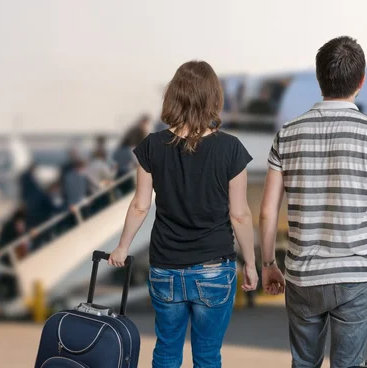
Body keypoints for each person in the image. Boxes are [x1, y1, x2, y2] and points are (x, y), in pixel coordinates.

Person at [258, 36, 367, 368]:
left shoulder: (287, 133)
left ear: (319, 78)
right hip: (355, 278)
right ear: (362, 80)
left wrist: (269, 264)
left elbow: (268, 211)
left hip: (302, 276)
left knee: (304, 363)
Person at [107, 60, 259, 368]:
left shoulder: (151, 146)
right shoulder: (231, 148)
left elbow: (140, 204)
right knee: (207, 356)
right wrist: (252, 263)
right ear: (214, 98)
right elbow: (240, 214)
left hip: (165, 268)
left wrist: (122, 247)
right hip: (215, 269)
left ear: (173, 97)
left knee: (166, 351)